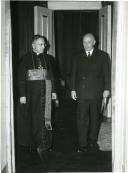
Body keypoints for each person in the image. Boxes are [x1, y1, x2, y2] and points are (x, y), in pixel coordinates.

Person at [16, 35, 57, 159]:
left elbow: (52, 76)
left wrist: (54, 92)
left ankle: (45, 143)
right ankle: (34, 143)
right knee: (33, 118)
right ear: (33, 45)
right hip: (31, 95)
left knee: (45, 117)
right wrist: (22, 94)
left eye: (44, 44)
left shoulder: (49, 59)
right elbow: (20, 78)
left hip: (45, 94)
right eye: (40, 44)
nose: (44, 46)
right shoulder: (25, 58)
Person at [70, 33, 111, 152]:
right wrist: (72, 89)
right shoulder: (77, 56)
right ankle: (82, 144)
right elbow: (73, 75)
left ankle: (92, 140)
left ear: (94, 42)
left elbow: (106, 75)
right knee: (82, 118)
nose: (86, 44)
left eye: (89, 42)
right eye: (84, 42)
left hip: (97, 92)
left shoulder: (102, 56)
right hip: (82, 92)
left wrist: (107, 89)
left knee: (95, 117)